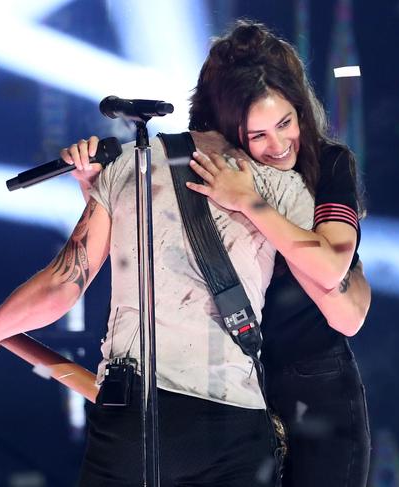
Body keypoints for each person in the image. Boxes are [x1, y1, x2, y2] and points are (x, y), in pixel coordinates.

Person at [0, 37, 323, 485]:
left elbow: (62, 285)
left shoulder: (131, 165)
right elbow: (334, 284)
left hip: (132, 417)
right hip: (232, 421)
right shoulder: (280, 186)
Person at [64, 19, 371, 487]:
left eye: (286, 123)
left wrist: (248, 200)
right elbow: (169, 257)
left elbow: (336, 277)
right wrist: (97, 190)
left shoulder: (328, 164)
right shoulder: (210, 163)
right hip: (231, 387)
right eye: (258, 134)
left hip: (315, 384)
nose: (277, 146)